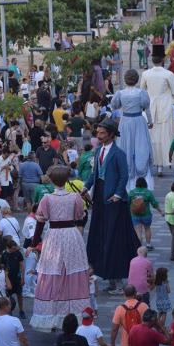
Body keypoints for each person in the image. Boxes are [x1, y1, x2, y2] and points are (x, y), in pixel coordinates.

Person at [29, 165, 90, 330]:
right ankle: (74, 315)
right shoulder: (75, 197)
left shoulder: (47, 199)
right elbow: (80, 216)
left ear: (52, 180)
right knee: (72, 273)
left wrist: (33, 244)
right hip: (71, 235)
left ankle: (54, 316)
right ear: (67, 179)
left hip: (54, 236)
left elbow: (40, 224)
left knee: (53, 273)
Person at [86, 120, 142, 293]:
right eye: (98, 132)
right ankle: (106, 274)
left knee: (114, 237)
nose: (98, 135)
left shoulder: (118, 153)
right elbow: (94, 173)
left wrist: (118, 194)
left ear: (111, 134)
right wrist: (85, 187)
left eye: (102, 133)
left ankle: (118, 278)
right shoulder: (98, 151)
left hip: (114, 200)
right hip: (100, 197)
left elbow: (124, 176)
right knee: (101, 235)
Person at [139, 46, 174, 173]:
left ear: (152, 60)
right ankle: (162, 164)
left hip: (150, 107)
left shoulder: (145, 74)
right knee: (165, 136)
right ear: (163, 59)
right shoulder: (169, 74)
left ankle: (154, 163)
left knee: (151, 136)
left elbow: (142, 91)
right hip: (165, 107)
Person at [113, 69, 155, 190]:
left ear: (125, 80)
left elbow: (114, 106)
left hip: (125, 122)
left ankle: (127, 185)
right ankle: (143, 181)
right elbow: (147, 108)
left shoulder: (120, 93)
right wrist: (150, 122)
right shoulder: (141, 93)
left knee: (125, 148)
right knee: (142, 148)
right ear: (137, 80)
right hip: (138, 121)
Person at [128, 178, 165, 250]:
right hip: (146, 215)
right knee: (147, 229)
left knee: (138, 231)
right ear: (145, 183)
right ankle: (148, 245)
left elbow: (127, 203)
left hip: (135, 215)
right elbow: (154, 204)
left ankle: (139, 247)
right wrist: (161, 212)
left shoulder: (132, 192)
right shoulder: (148, 192)